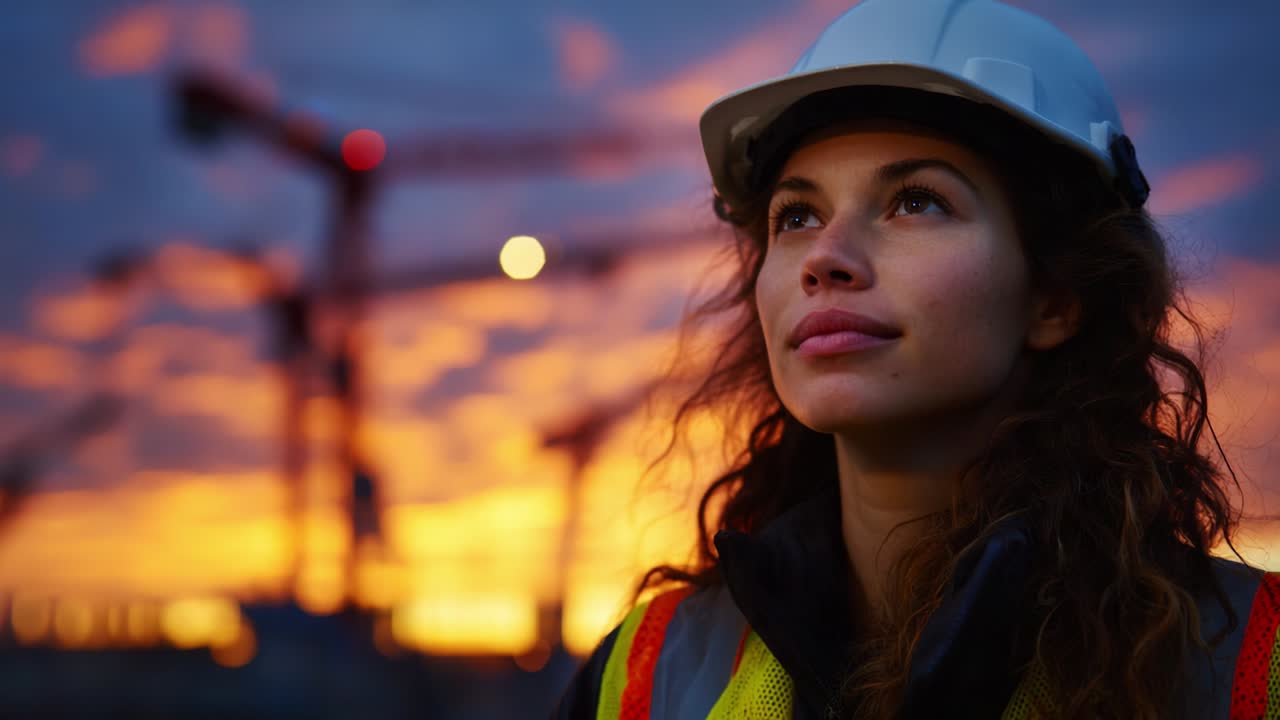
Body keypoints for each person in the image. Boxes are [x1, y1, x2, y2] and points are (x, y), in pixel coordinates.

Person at [552, 1, 1275, 718]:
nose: (825, 259)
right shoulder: (645, 678)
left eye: (916, 202)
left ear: (1056, 297)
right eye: (796, 216)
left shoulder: (1253, 668)